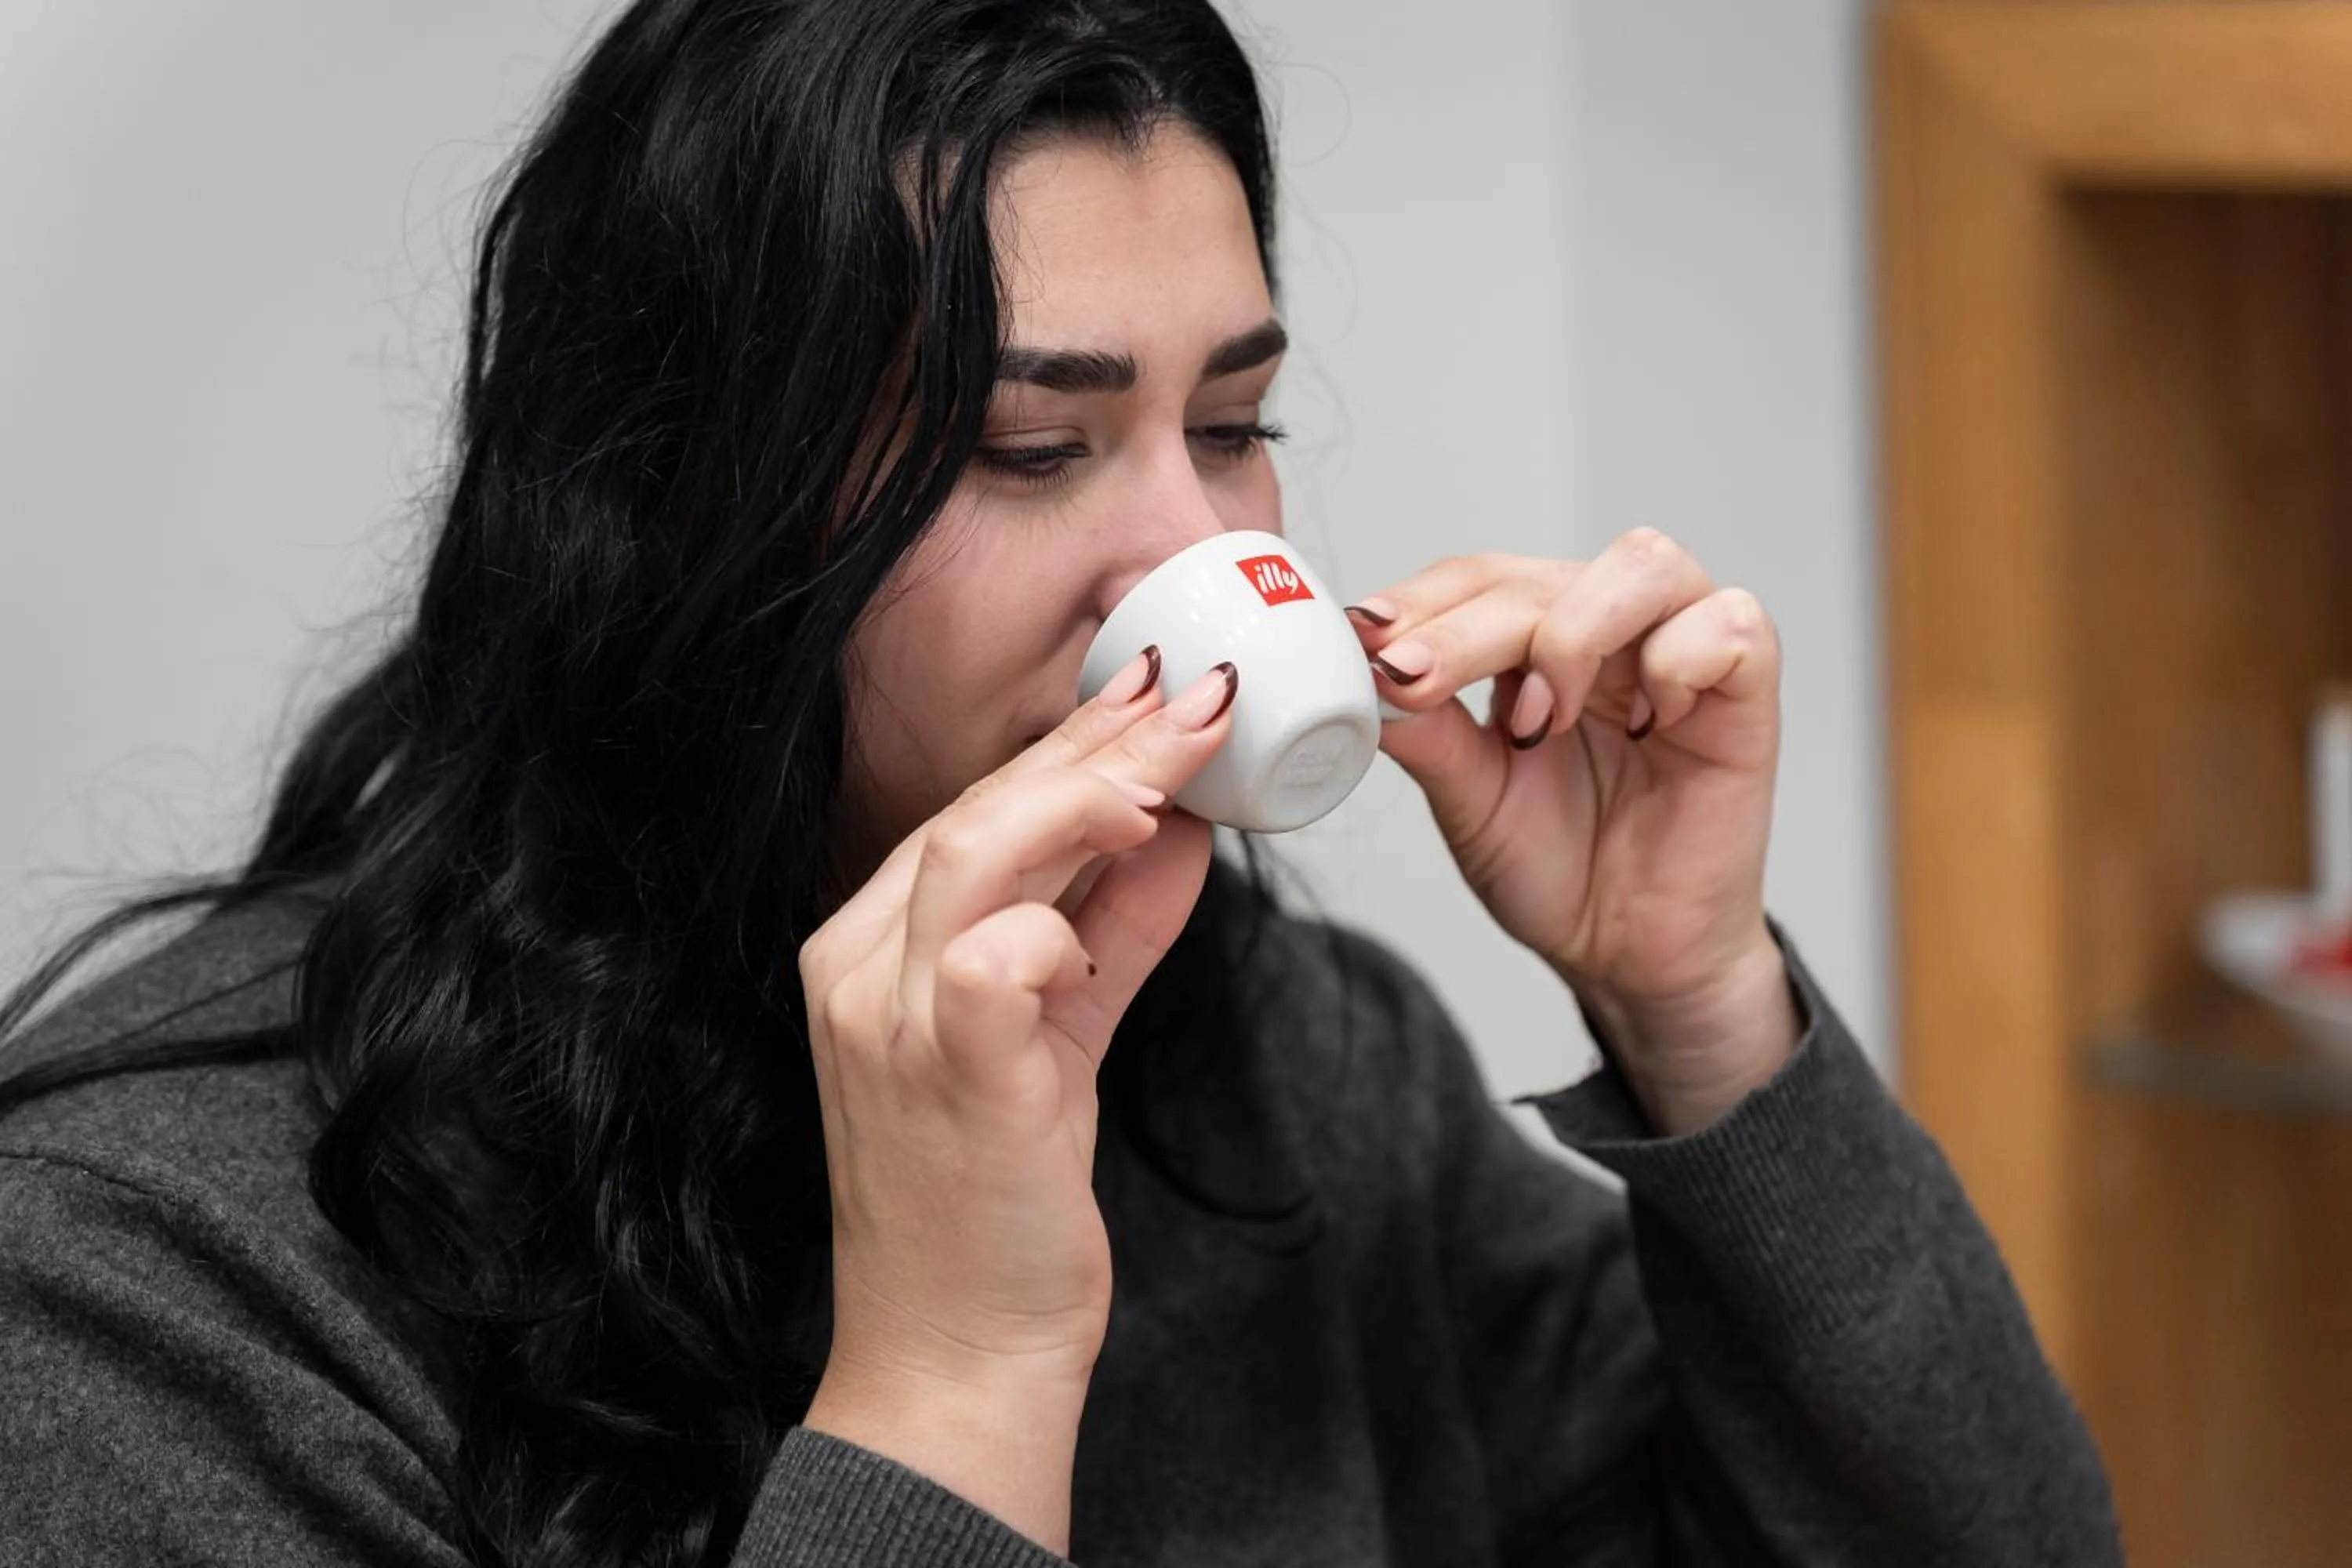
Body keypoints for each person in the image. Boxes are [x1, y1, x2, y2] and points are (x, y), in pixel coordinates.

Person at [0, 1, 2122, 1564]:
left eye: (1236, 419)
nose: (1190, 555)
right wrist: (952, 1383)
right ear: (676, 517)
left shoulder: (1282, 1071)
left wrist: (1698, 1004)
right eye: (1034, 447)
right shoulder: (154, 1267)